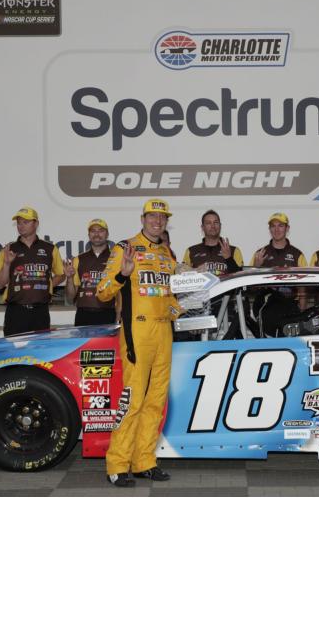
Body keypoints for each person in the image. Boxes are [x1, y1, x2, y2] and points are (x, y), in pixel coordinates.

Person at [96, 198, 182, 487]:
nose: (157, 221)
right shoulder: (125, 248)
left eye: (162, 217)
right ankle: (117, 464)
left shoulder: (167, 253)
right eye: (152, 216)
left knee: (155, 403)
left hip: (164, 334)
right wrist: (123, 272)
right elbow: (102, 292)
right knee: (131, 401)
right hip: (137, 333)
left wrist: (185, 306)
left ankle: (144, 460)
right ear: (143, 218)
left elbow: (168, 298)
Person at [0, 207, 65, 336]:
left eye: (25, 222)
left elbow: (61, 274)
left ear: (36, 223)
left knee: (39, 354)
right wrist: (7, 264)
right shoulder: (8, 249)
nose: (21, 226)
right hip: (15, 312)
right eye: (19, 223)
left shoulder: (50, 248)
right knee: (13, 354)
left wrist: (47, 286)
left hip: (40, 312)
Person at [64, 219, 116, 326]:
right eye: (93, 231)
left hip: (108, 314)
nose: (97, 234)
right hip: (83, 315)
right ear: (89, 234)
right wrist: (69, 278)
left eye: (101, 230)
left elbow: (120, 293)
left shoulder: (116, 258)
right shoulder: (78, 259)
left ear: (107, 234)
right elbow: (70, 299)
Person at [183, 209, 243, 275]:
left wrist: (229, 258)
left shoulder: (234, 250)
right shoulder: (191, 251)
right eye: (208, 223)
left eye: (216, 222)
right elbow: (183, 277)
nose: (213, 226)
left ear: (220, 226)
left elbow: (240, 277)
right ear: (202, 227)